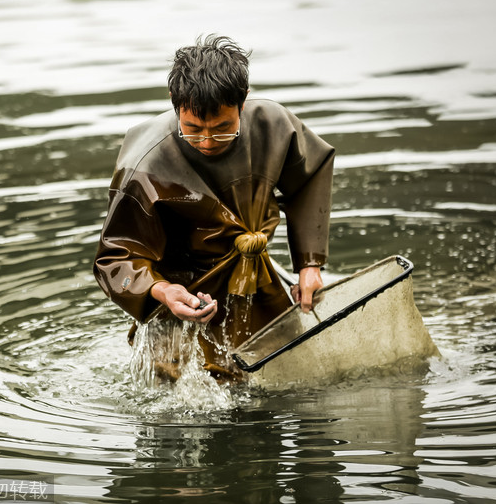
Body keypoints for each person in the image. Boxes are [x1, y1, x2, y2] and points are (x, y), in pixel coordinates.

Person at [93, 35, 335, 380]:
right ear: (175, 104)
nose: (207, 142)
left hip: (253, 276)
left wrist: (309, 265)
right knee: (174, 387)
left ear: (243, 102)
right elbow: (116, 257)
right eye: (193, 130)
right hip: (184, 294)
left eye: (223, 129)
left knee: (282, 371)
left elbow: (309, 178)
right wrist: (164, 291)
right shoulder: (143, 164)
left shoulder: (274, 125)